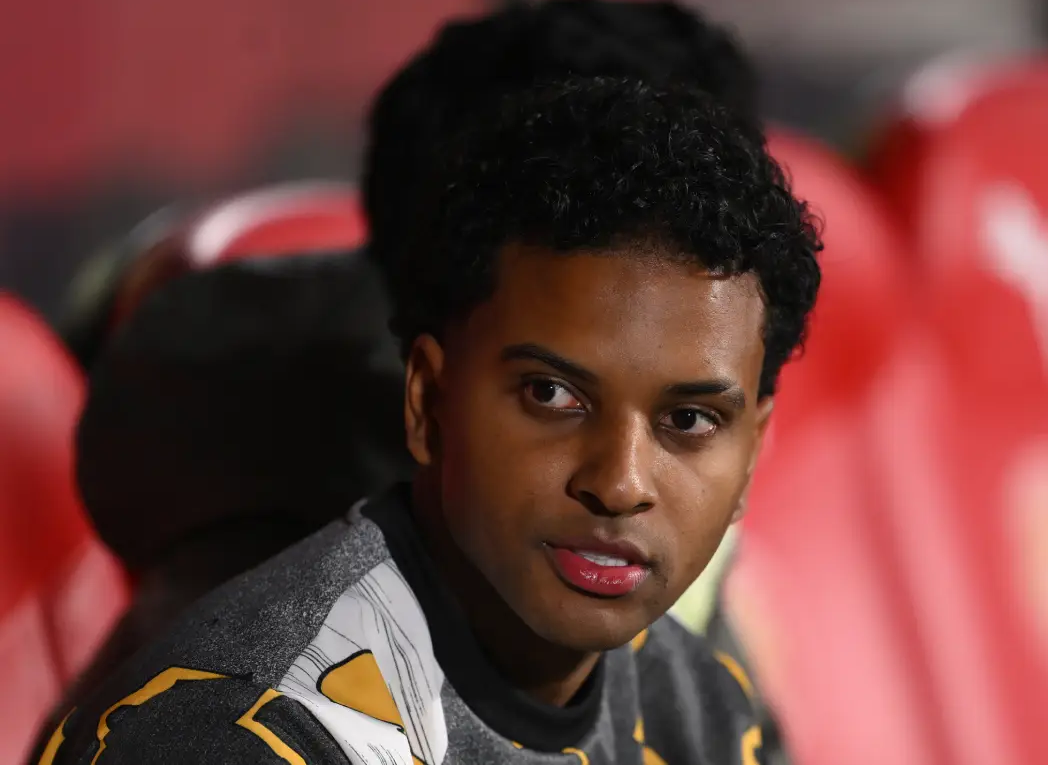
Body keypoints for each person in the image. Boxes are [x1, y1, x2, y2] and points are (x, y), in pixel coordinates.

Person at [38, 75, 821, 764]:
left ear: (751, 453)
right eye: (552, 395)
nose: (618, 482)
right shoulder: (239, 733)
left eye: (688, 418)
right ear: (426, 402)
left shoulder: (693, 693)